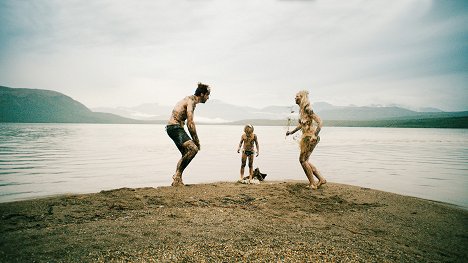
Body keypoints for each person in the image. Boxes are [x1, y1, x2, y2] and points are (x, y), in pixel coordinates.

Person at [166, 83, 211, 186]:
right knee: (193, 149)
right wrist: (196, 141)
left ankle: (177, 180)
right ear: (202, 94)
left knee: (185, 154)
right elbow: (190, 123)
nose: (208, 98)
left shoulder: (191, 100)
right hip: (174, 127)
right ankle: (177, 175)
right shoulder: (191, 101)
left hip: (174, 128)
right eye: (207, 95)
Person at [286, 90, 326, 189]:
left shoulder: (308, 109)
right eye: (295, 96)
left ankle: (312, 184)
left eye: (297, 96)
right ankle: (321, 179)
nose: (295, 98)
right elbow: (301, 125)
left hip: (310, 137)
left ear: (302, 98)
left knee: (302, 160)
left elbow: (320, 121)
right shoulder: (302, 110)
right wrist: (291, 132)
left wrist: (315, 135)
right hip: (306, 137)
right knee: (305, 160)